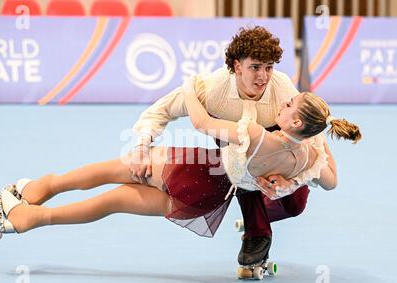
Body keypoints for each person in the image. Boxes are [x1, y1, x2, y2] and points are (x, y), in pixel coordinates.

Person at [0, 85, 361, 274]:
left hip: (193, 170)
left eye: (288, 106)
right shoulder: (312, 154)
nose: (282, 104)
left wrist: (188, 90)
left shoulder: (261, 137)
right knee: (112, 201)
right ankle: (32, 218)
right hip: (210, 199)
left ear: (296, 122)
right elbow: (330, 182)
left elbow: (202, 124)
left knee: (108, 171)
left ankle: (40, 188)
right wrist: (312, 155)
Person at [129, 25, 333, 265]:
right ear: (237, 66)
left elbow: (312, 136)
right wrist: (142, 148)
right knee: (245, 166)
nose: (263, 76)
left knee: (295, 205)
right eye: (255, 67)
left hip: (280, 150)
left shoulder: (282, 89)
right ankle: (257, 232)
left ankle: (256, 220)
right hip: (233, 145)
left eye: (269, 67)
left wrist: (293, 183)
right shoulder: (213, 88)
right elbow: (162, 110)